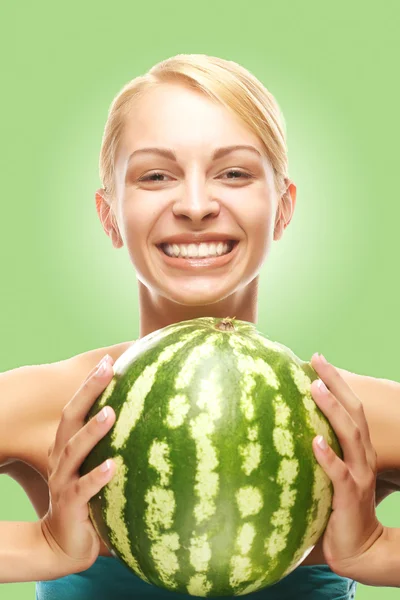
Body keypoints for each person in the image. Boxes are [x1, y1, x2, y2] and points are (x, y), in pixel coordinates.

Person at [1, 53, 399, 599]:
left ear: (283, 208)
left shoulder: (351, 422)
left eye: (234, 172)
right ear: (109, 214)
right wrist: (41, 545)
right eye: (155, 175)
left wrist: (378, 548)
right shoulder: (51, 405)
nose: (194, 205)